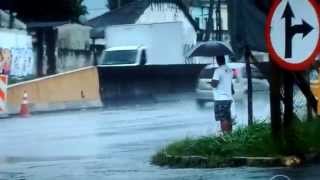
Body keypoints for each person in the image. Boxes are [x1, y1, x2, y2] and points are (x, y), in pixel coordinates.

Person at [209, 56, 234, 133]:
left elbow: (214, 84)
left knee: (223, 118)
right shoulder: (230, 70)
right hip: (228, 98)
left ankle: (225, 135)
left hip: (220, 99)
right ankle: (230, 134)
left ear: (217, 60)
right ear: (224, 59)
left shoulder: (218, 71)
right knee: (228, 117)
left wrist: (211, 81)